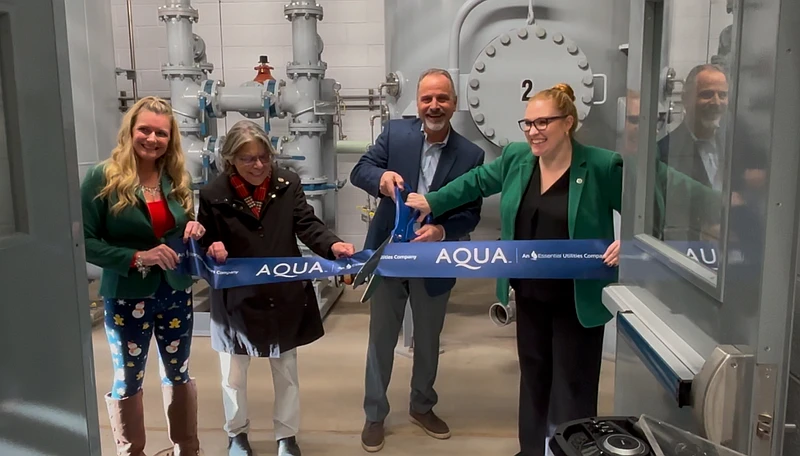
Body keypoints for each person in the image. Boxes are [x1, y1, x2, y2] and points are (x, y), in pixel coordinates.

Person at [405, 83, 621, 456]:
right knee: (534, 380)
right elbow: (476, 183)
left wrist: (632, 241)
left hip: (577, 299)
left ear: (568, 122)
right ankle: (532, 450)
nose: (533, 131)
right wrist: (432, 201)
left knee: (574, 386)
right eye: (528, 123)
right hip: (530, 295)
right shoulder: (518, 158)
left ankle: (574, 451)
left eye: (543, 123)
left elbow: (652, 203)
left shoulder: (602, 165)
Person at [196, 120, 356, 456]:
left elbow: (307, 224)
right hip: (235, 300)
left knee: (286, 371)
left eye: (263, 157)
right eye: (248, 159)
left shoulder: (287, 184)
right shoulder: (213, 194)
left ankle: (287, 436)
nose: (258, 166)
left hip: (282, 295)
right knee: (233, 375)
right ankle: (236, 434)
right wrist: (211, 247)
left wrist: (333, 246)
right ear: (230, 160)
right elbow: (206, 238)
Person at [349, 68, 485, 452]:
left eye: (442, 98)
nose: (434, 105)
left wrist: (442, 232)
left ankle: (422, 406)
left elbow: (471, 212)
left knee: (428, 339)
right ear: (418, 103)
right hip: (389, 254)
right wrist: (381, 178)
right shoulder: (395, 134)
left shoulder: (471, 155)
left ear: (454, 104)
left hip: (435, 258)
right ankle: (375, 414)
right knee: (381, 339)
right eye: (427, 98)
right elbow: (360, 170)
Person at [81, 96, 213, 456]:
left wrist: (193, 230)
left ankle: (187, 449)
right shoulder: (101, 176)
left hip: (174, 291)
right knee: (128, 379)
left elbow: (180, 226)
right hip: (127, 295)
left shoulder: (176, 178)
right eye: (145, 130)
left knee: (179, 374)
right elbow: (83, 241)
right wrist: (138, 256)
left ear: (171, 139)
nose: (152, 139)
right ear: (130, 131)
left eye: (161, 133)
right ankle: (131, 451)